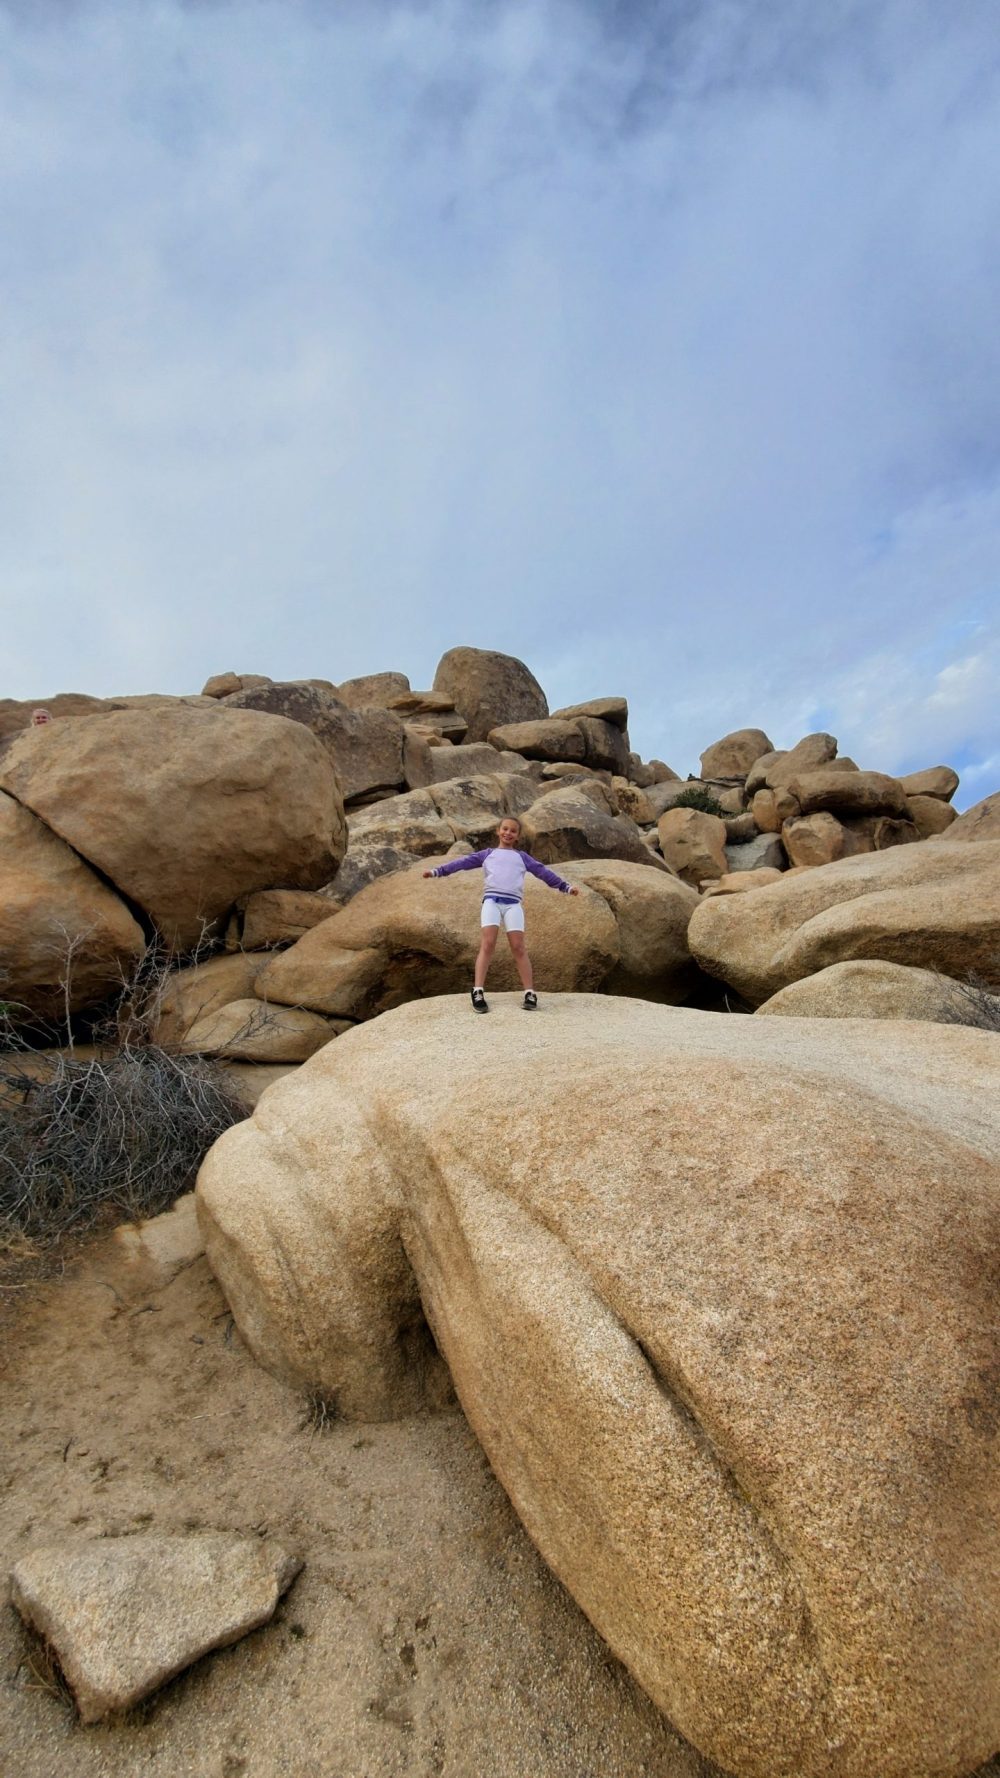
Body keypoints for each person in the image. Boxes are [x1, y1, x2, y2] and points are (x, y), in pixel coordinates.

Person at [423, 815, 579, 1012]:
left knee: (518, 947)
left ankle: (529, 992)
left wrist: (565, 887)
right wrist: (438, 871)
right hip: (491, 903)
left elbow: (542, 872)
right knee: (488, 944)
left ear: (518, 836)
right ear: (498, 831)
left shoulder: (522, 857)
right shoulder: (487, 854)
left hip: (513, 905)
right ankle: (478, 990)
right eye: (505, 829)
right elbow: (461, 863)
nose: (508, 833)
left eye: (513, 831)